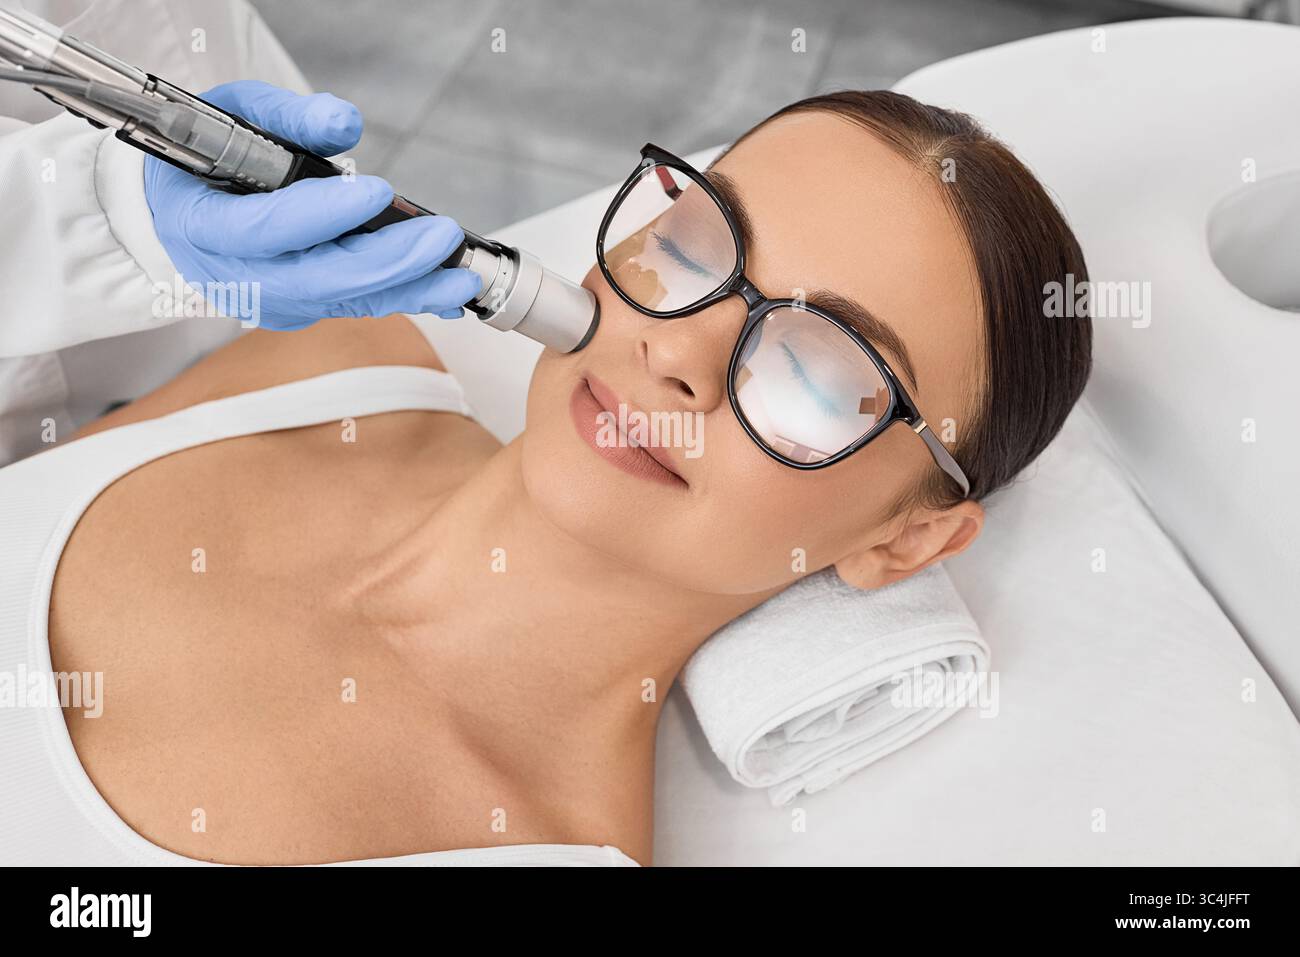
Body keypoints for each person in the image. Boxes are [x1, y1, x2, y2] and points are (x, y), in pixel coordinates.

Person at [0, 74, 1092, 865]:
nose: (677, 351)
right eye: (696, 242)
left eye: (820, 373)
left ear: (905, 538)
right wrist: (83, 225)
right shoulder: (339, 353)